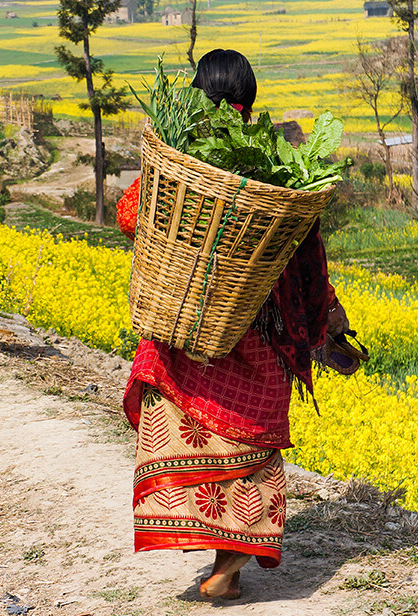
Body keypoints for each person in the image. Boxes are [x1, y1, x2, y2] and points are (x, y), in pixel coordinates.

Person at [116, 49, 351, 600]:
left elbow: (130, 215)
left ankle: (209, 551)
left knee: (186, 436)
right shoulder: (271, 173)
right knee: (253, 445)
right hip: (254, 334)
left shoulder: (177, 161)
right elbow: (304, 257)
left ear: (197, 95)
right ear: (249, 103)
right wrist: (325, 318)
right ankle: (226, 567)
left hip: (181, 333)